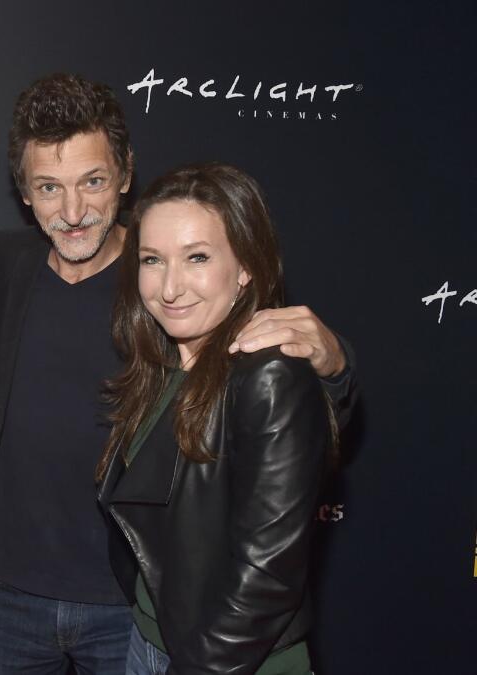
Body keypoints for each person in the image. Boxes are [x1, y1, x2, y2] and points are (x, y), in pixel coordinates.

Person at [0, 74, 356, 674]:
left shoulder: (170, 285)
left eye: (93, 181)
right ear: (24, 192)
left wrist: (335, 364)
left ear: (126, 176)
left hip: (132, 597)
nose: (73, 211)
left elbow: (281, 422)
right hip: (9, 592)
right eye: (49, 187)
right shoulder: (0, 262)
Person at [96, 162, 332, 675]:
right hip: (151, 641)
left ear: (245, 266)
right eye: (153, 259)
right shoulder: (161, 365)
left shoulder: (270, 375)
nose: (170, 287)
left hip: (227, 662)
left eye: (197, 257)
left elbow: (268, 576)